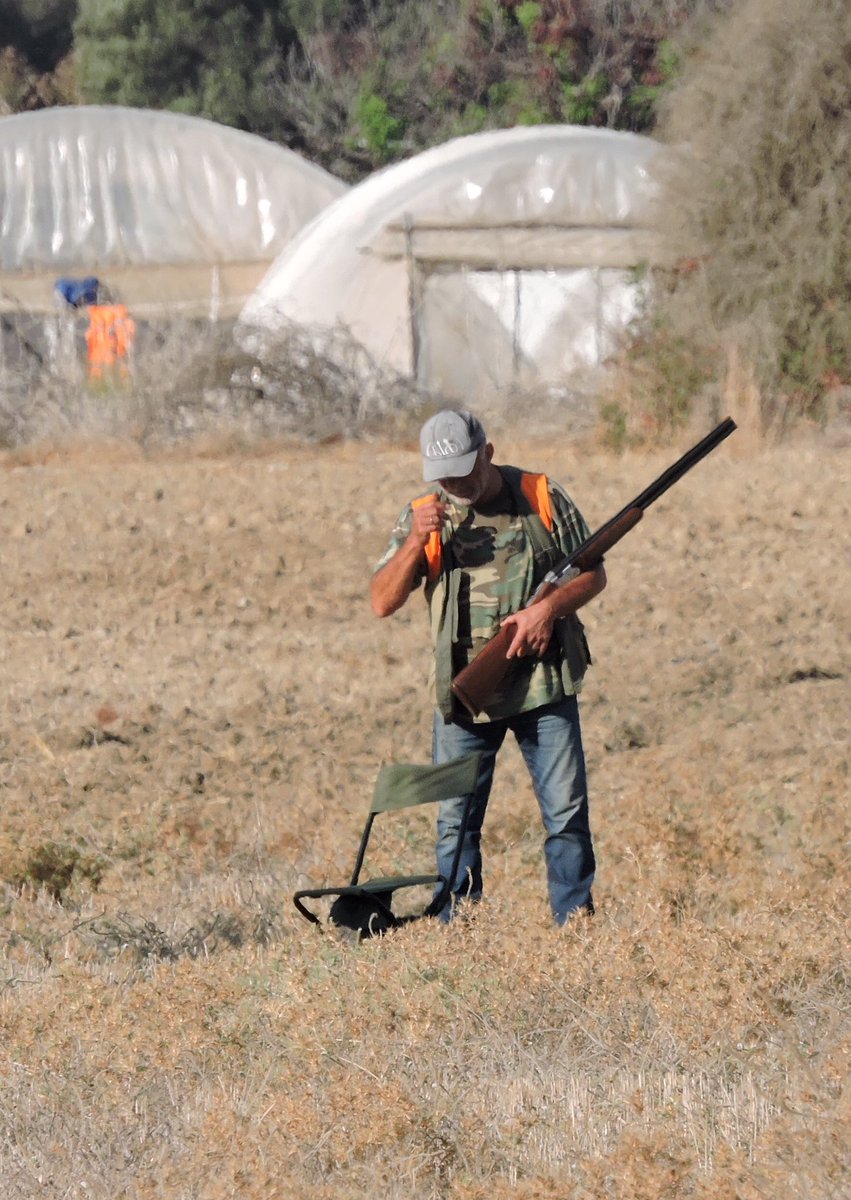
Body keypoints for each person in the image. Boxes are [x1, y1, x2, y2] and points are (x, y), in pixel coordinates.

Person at [370, 409, 607, 925]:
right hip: (464, 700)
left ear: (488, 452)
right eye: (444, 475)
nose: (455, 483)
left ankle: (578, 930)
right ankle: (460, 932)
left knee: (567, 816)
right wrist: (414, 541)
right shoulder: (425, 516)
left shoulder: (542, 496)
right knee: (456, 824)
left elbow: (593, 575)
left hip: (543, 688)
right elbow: (381, 602)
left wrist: (548, 609)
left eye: (464, 469)